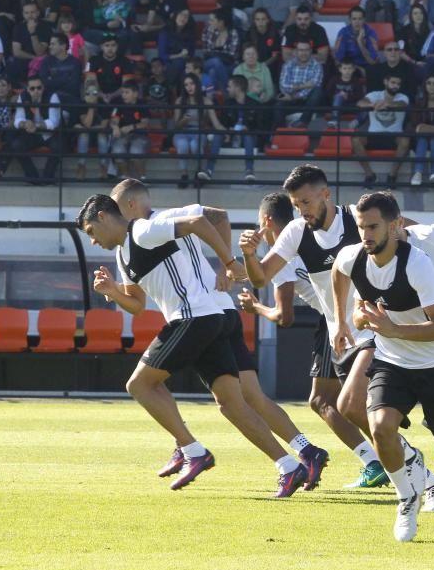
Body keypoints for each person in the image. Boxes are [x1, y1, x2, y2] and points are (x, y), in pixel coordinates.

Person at [76, 194, 313, 497]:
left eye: (92, 232)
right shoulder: (123, 254)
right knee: (232, 405)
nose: (93, 242)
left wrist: (228, 262)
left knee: (139, 385)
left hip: (193, 318)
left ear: (103, 217)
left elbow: (199, 221)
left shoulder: (142, 231)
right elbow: (136, 305)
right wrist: (112, 291)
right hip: (206, 319)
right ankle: (289, 467)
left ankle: (190, 449)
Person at [332, 191, 434, 543]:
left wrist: (393, 329)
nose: (366, 234)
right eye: (361, 227)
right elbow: (339, 273)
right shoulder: (352, 257)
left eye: (373, 226)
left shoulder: (418, 264)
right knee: (381, 428)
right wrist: (345, 319)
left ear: (395, 225)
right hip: (392, 362)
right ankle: (407, 497)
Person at [239, 166, 387, 489]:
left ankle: (385, 459)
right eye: (296, 205)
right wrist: (246, 257)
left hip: (363, 324)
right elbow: (257, 274)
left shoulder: (352, 222)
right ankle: (391, 461)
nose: (302, 210)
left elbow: (284, 314)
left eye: (305, 202)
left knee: (335, 402)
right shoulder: (294, 236)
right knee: (338, 402)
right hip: (339, 326)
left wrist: (255, 307)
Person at [0, 74, 62, 182]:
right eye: (32, 88)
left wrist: (36, 125)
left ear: (43, 87)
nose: (36, 91)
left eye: (39, 88)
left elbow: (54, 122)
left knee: (58, 146)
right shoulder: (23, 97)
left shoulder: (52, 96)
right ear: (27, 89)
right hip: (31, 134)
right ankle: (32, 177)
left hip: (50, 134)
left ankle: (48, 177)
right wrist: (24, 124)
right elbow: (18, 119)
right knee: (17, 145)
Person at [352, 73, 410, 188]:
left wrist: (387, 104)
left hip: (394, 136)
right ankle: (370, 175)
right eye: (393, 82)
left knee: (405, 140)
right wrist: (373, 104)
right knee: (355, 139)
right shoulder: (375, 95)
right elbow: (360, 103)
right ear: (385, 82)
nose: (395, 86)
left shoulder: (403, 97)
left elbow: (402, 104)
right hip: (374, 135)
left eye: (398, 84)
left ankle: (392, 176)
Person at [276, 39, 324, 129]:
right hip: (289, 98)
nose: (303, 53)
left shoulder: (317, 65)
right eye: (301, 50)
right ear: (296, 51)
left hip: (307, 100)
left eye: (306, 50)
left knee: (317, 91)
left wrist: (295, 92)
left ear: (310, 51)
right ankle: (281, 133)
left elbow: (315, 84)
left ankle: (302, 123)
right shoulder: (288, 64)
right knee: (279, 104)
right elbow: (283, 85)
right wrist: (304, 85)